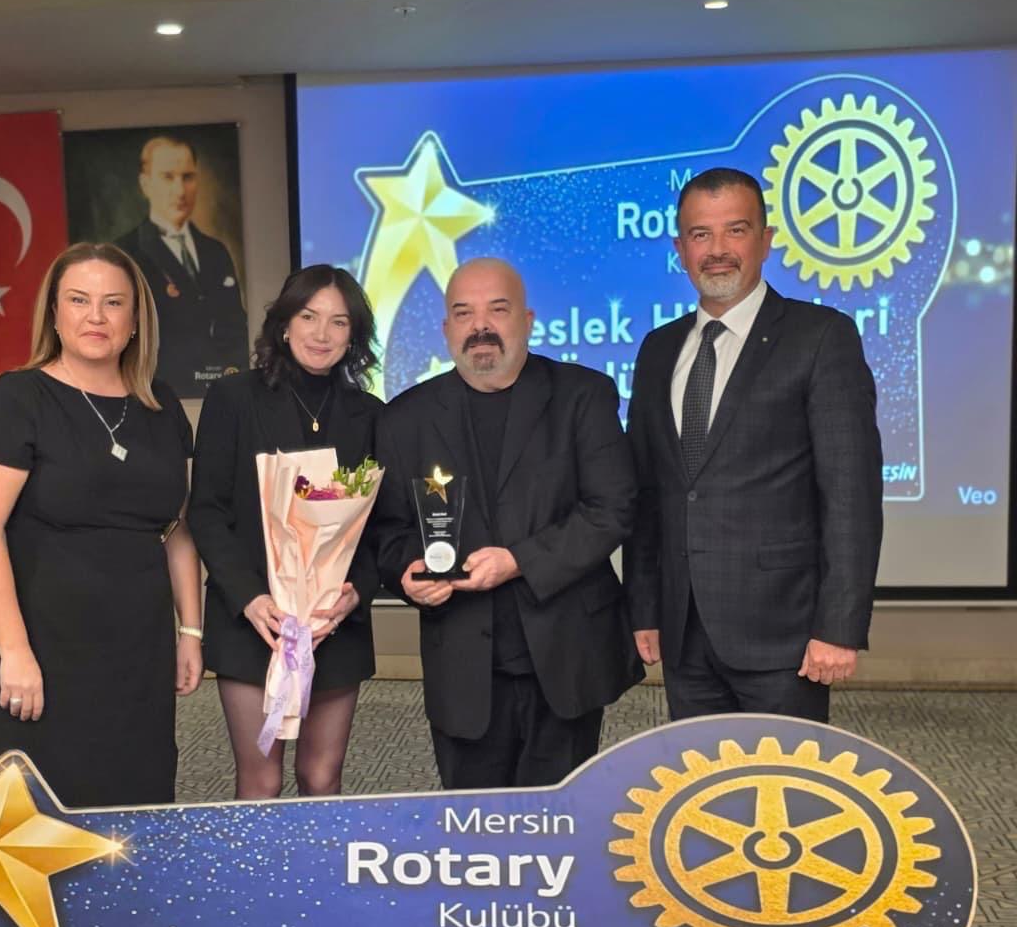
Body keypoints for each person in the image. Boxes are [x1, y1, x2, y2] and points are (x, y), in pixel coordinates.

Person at [624, 167, 884, 723]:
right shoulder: (657, 349)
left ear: (765, 241)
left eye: (735, 230)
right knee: (698, 774)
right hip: (684, 631)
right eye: (700, 234)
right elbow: (648, 492)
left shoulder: (821, 337)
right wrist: (645, 607)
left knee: (781, 780)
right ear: (680, 249)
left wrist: (838, 627)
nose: (717, 250)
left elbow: (851, 495)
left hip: (784, 634)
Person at [373, 257, 643, 792]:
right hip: (462, 664)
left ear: (528, 320)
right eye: (463, 313)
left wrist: (518, 561)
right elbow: (388, 531)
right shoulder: (404, 419)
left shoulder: (582, 395)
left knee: (560, 822)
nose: (480, 326)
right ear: (446, 328)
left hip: (566, 656)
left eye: (498, 309)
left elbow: (611, 508)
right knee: (473, 823)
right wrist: (406, 572)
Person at [0, 241, 203, 808]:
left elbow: (176, 530)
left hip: (141, 645)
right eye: (79, 300)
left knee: (140, 800)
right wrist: (14, 651)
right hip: (48, 645)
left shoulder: (161, 405)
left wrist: (190, 631)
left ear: (135, 320)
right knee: (48, 812)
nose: (96, 316)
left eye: (113, 302)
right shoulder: (18, 397)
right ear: (54, 313)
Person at [189, 264, 382, 799]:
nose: (322, 334)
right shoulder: (233, 398)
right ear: (283, 324)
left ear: (353, 336)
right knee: (261, 781)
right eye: (309, 317)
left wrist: (358, 592)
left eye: (339, 322)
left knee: (322, 778)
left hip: (331, 622)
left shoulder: (370, 414)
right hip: (255, 619)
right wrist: (249, 598)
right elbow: (206, 510)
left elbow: (381, 529)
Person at [114, 134, 248, 395]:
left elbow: (235, 328)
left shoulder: (216, 251)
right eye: (168, 177)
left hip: (220, 392)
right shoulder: (125, 253)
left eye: (188, 177)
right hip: (156, 394)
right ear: (145, 184)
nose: (180, 190)